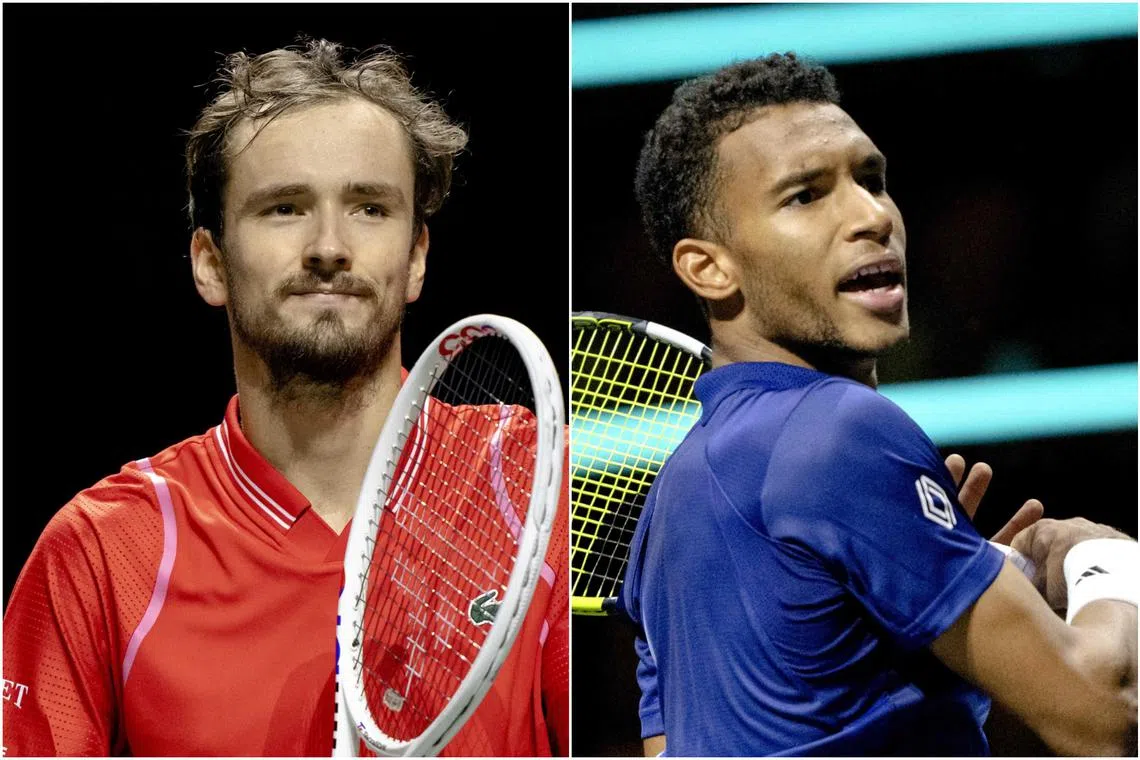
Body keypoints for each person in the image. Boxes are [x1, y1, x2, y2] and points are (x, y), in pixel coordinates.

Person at [2, 39, 568, 757]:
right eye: (284, 209)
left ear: (417, 257)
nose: (329, 246)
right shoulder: (104, 552)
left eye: (369, 207)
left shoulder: (533, 482)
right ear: (210, 264)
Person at [620, 53, 1136, 757]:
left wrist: (941, 617)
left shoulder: (665, 508)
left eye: (872, 180)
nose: (872, 216)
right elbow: (1108, 718)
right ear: (708, 267)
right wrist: (1103, 561)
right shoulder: (841, 431)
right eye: (805, 195)